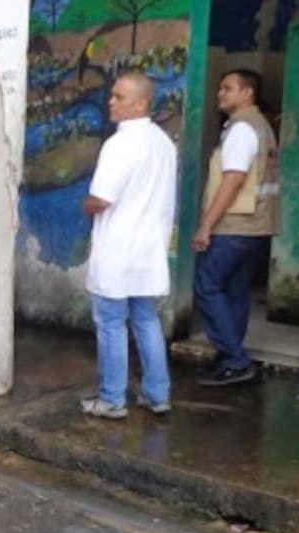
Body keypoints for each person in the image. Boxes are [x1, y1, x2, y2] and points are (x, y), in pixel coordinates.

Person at [79, 72, 177, 419]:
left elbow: (101, 199)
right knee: (147, 321)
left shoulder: (120, 144)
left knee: (111, 324)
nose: (111, 101)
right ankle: (157, 394)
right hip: (148, 253)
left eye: (119, 97)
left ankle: (111, 399)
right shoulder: (163, 143)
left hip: (118, 251)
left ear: (140, 104)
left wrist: (86, 205)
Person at [192, 69, 279, 386]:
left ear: (247, 93)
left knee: (206, 286)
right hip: (256, 225)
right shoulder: (261, 126)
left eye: (227, 88)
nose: (220, 94)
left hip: (234, 225)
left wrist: (206, 225)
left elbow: (233, 180)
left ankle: (235, 358)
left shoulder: (242, 129)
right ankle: (230, 355)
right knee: (234, 291)